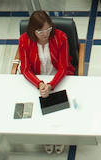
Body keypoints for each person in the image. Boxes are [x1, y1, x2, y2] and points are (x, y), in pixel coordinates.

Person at [18, 10, 72, 152]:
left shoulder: (61, 37)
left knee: (59, 109)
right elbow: (24, 69)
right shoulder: (24, 40)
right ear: (32, 30)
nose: (45, 34)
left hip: (58, 78)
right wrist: (40, 84)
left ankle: (59, 136)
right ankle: (46, 136)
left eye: (48, 29)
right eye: (40, 31)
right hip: (37, 79)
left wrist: (51, 85)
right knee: (38, 110)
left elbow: (63, 67)